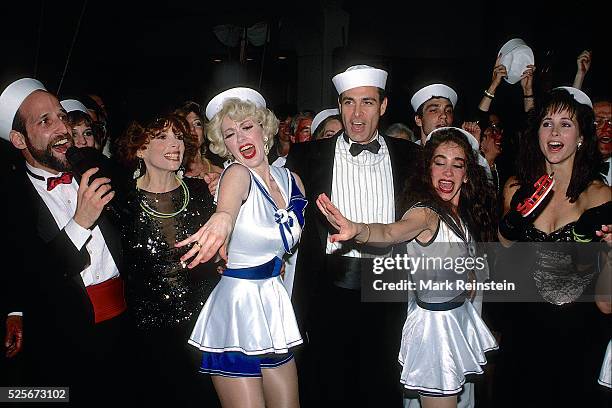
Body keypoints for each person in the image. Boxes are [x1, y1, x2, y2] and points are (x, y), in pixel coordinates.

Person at [316, 127, 498, 408]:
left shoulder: (457, 214)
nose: (447, 173)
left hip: (455, 321)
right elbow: (391, 232)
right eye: (439, 163)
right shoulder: (425, 212)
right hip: (436, 333)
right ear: (428, 169)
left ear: (467, 173)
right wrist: (358, 230)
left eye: (456, 165)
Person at [285, 64, 422, 406]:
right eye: (348, 103)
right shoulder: (308, 155)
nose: (356, 113)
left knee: (382, 386)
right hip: (327, 289)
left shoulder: (410, 156)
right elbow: (273, 192)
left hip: (388, 288)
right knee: (327, 387)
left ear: (384, 106)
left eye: (367, 102)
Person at [176, 87, 306, 408]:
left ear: (264, 129)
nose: (240, 138)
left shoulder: (293, 181)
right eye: (229, 134)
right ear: (225, 145)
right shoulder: (236, 174)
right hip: (237, 310)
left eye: (247, 126)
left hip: (273, 306)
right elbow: (228, 208)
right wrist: (222, 219)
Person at [0, 78, 126, 404]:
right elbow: (30, 278)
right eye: (45, 121)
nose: (63, 128)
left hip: (128, 328)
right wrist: (80, 223)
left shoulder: (97, 165)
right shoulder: (11, 199)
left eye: (61, 116)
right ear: (19, 139)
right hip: (65, 338)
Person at [497, 87, 611, 407]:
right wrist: (513, 221)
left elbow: (606, 302)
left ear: (581, 137)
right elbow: (503, 250)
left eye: (566, 123)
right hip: (523, 335)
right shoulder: (516, 187)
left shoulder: (599, 196)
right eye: (547, 123)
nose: (555, 131)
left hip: (576, 341)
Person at [115, 112, 219, 406]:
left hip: (204, 325)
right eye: (162, 137)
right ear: (139, 148)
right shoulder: (120, 202)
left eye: (178, 137)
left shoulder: (202, 191)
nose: (175, 144)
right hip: (149, 336)